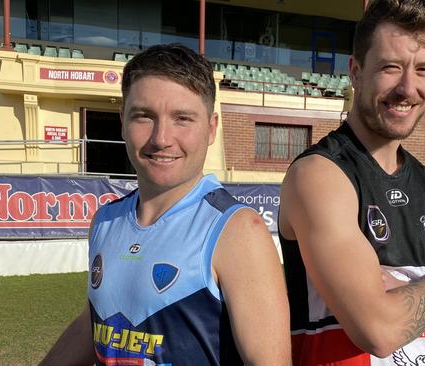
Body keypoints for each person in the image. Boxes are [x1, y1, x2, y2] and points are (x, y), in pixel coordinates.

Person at [40, 44, 290, 366]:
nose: (161, 138)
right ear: (122, 121)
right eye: (144, 117)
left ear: (211, 128)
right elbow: (97, 323)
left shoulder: (237, 231)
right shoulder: (105, 221)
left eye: (182, 119)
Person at [278, 0, 425, 364]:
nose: (408, 88)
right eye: (391, 68)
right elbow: (377, 329)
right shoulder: (321, 175)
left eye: (423, 70)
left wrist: (402, 291)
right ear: (356, 71)